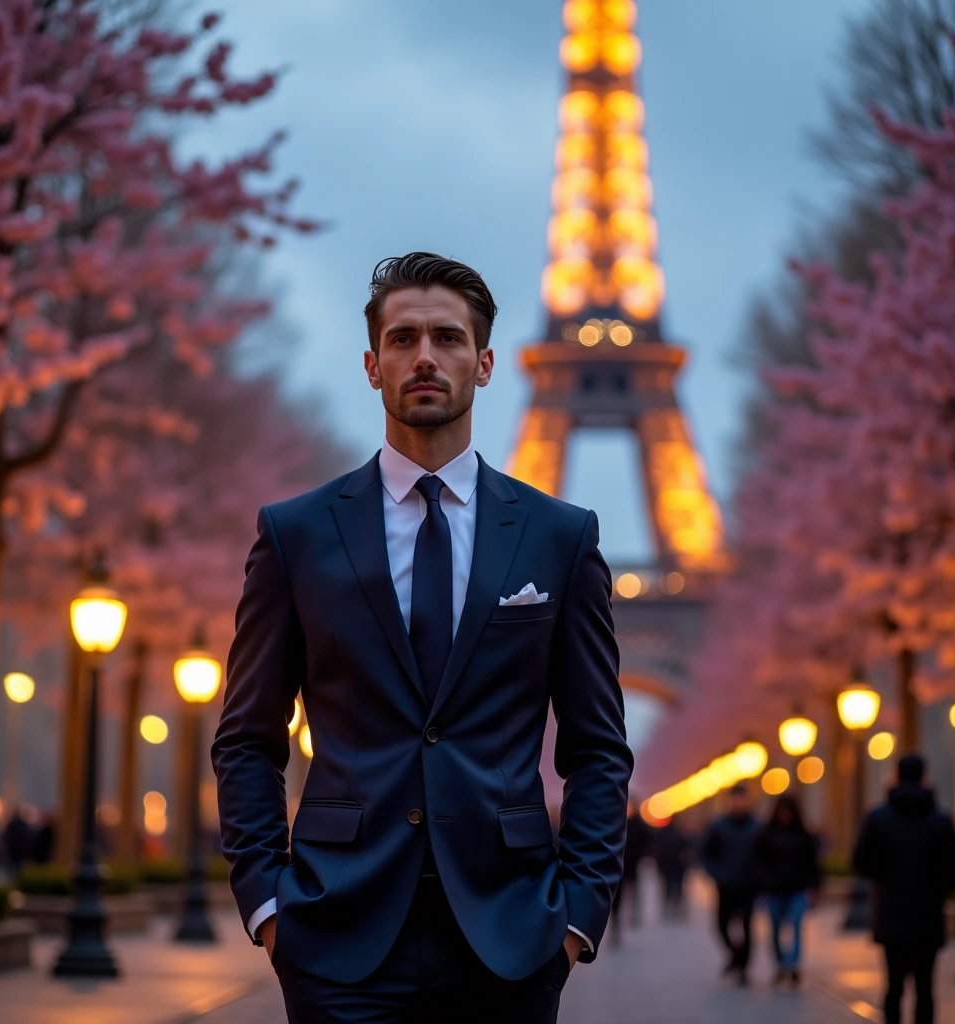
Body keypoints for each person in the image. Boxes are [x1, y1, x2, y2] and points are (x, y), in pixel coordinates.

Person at [213, 253, 634, 1024]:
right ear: (373, 366)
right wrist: (268, 906)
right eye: (403, 339)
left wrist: (574, 918)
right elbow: (246, 738)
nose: (426, 357)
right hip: (336, 934)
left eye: (448, 337)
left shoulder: (559, 538)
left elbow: (599, 749)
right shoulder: (296, 535)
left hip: (511, 937)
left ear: (487, 361)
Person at [853, 754, 955, 1024]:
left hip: (891, 914)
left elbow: (861, 862)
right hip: (928, 915)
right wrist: (936, 889)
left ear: (897, 776)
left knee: (893, 986)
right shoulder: (940, 821)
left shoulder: (878, 819)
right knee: (925, 988)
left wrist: (885, 881)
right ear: (924, 777)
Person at [755, 794, 821, 987]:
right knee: (775, 929)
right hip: (774, 890)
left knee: (796, 927)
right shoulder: (767, 834)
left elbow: (813, 863)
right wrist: (764, 880)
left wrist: (814, 886)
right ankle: (781, 964)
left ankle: (792, 965)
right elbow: (758, 860)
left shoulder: (803, 835)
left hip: (797, 890)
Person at [701, 783, 762, 985]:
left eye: (742, 798)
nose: (739, 802)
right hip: (725, 886)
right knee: (721, 925)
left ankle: (743, 967)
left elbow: (765, 855)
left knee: (746, 927)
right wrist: (717, 874)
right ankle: (736, 956)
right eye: (736, 798)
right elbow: (706, 853)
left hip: (748, 885)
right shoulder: (719, 826)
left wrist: (759, 875)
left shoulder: (756, 827)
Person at [610, 799, 651, 941]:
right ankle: (617, 922)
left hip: (632, 864)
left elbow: (646, 842)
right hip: (617, 865)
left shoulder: (638, 825)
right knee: (617, 895)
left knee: (633, 890)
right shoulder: (617, 823)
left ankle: (634, 915)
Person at [653, 817, 691, 919]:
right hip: (677, 865)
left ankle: (668, 905)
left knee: (667, 885)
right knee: (678, 885)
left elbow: (658, 850)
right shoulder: (680, 834)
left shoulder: (662, 835)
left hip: (667, 864)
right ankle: (676, 906)